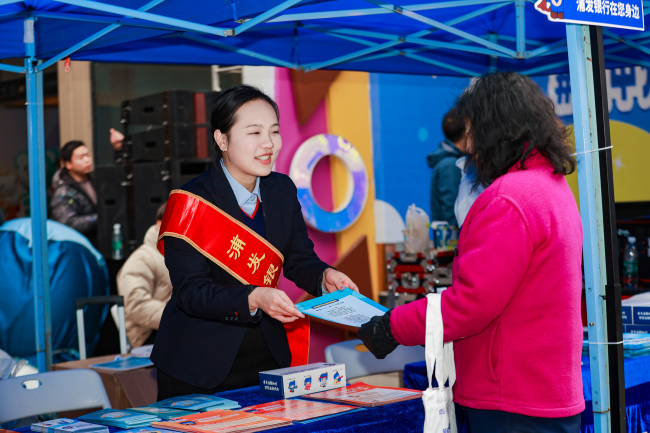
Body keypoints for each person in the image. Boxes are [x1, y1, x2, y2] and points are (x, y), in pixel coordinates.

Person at [359, 71, 583, 432]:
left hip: (511, 401)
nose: (469, 146)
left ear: (494, 128)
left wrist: (392, 326)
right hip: (543, 393)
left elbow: (470, 304)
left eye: (472, 131)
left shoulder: (508, 198)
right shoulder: (552, 186)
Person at [151, 85, 358, 400]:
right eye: (254, 132)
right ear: (222, 139)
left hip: (267, 358)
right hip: (197, 365)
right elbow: (191, 292)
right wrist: (253, 297)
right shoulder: (191, 202)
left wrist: (323, 276)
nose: (269, 144)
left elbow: (299, 259)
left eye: (274, 131)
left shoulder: (282, 190)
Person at [117, 202, 171, 348]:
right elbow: (136, 305)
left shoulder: (188, 256)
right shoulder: (142, 258)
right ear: (160, 224)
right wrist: (179, 319)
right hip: (150, 335)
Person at [50, 140, 98, 245]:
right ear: (68, 164)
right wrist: (99, 218)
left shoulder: (96, 180)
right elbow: (69, 223)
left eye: (87, 155)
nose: (87, 160)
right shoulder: (63, 191)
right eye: (81, 158)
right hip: (79, 246)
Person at [428, 107, 467, 227]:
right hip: (452, 242)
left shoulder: (450, 161)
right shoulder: (450, 165)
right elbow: (452, 214)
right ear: (466, 132)